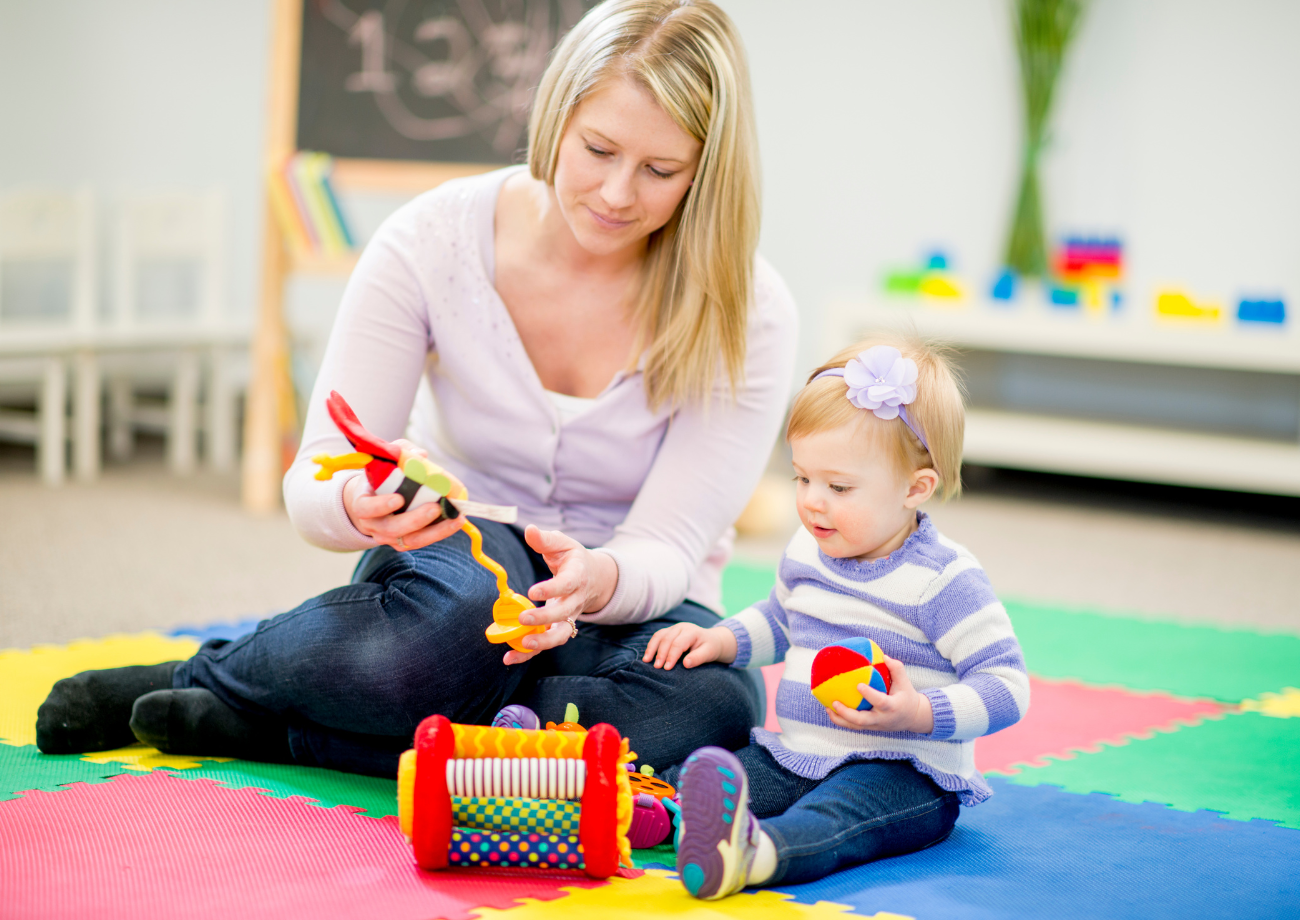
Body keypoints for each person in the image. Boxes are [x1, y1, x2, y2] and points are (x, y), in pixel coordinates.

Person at [35, 0, 797, 777]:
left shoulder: (750, 309)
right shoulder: (429, 240)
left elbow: (667, 545)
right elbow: (318, 474)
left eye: (660, 171)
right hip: (460, 580)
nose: (615, 193)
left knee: (713, 707)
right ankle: (214, 674)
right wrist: (352, 507)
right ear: (556, 116)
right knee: (453, 636)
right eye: (597, 149)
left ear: (705, 171)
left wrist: (596, 580)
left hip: (633, 598)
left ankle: (292, 727)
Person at [642, 336, 1029, 898]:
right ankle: (637, 811)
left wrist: (919, 711)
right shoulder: (808, 549)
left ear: (915, 489)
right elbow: (781, 620)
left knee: (838, 818)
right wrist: (720, 640)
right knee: (717, 775)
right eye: (802, 478)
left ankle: (758, 854)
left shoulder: (943, 580)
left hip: (904, 771)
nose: (812, 501)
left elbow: (1007, 686)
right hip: (798, 755)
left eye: (839, 486)